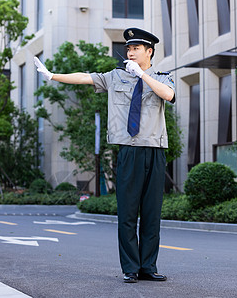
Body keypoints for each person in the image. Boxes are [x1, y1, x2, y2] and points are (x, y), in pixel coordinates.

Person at [34, 27, 175, 283]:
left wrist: (142, 75)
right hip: (128, 152)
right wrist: (53, 76)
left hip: (155, 151)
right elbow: (85, 77)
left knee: (152, 214)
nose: (130, 53)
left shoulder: (162, 77)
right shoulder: (115, 77)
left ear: (149, 51)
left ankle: (148, 267)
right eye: (128, 49)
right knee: (128, 213)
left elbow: (168, 95)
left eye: (136, 49)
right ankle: (130, 268)